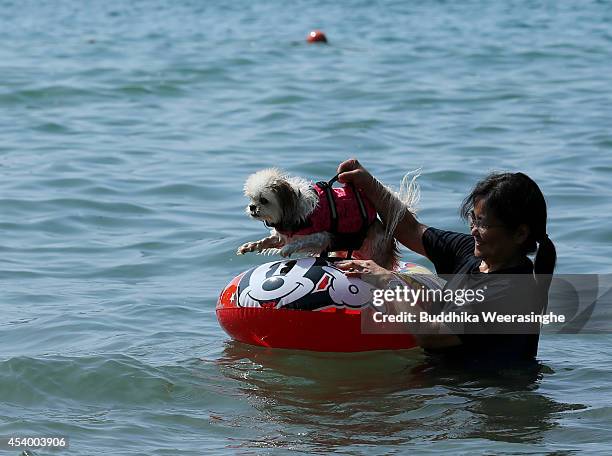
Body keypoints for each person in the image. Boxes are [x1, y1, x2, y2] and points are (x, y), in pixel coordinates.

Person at [335, 158, 557, 362]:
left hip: (488, 395)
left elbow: (432, 334)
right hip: (449, 385)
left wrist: (388, 281)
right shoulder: (470, 251)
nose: (474, 231)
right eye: (473, 219)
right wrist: (368, 183)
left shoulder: (512, 293)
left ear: (520, 234)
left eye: (484, 224)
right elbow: (411, 230)